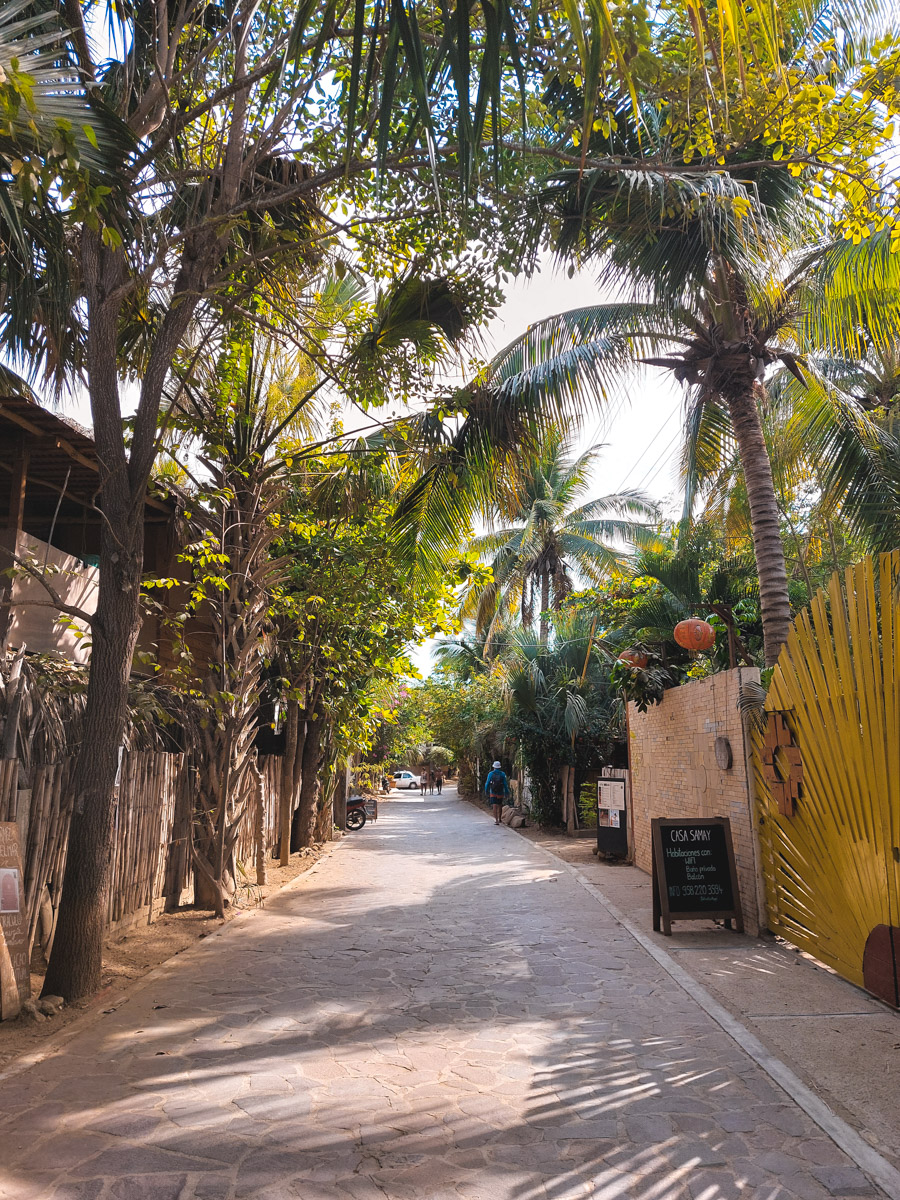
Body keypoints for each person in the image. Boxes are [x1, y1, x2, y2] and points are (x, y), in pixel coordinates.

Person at [484, 760, 509, 825]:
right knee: (500, 805)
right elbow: (505, 784)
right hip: (500, 792)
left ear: (494, 767)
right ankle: (500, 818)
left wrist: (486, 790)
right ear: (499, 767)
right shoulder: (502, 774)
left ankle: (496, 820)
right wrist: (506, 792)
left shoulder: (491, 774)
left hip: (492, 792)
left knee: (494, 805)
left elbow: (487, 783)